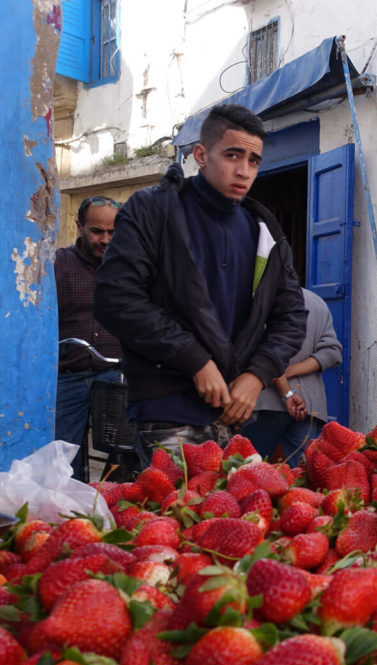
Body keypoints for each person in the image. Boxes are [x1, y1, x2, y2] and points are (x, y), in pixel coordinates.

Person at [94, 104, 306, 466]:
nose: (244, 170)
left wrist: (256, 376)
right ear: (201, 154)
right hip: (166, 404)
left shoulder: (263, 231)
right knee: (182, 517)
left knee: (231, 517)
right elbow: (116, 298)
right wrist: (195, 359)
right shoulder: (154, 211)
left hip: (235, 412)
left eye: (254, 160)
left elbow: (292, 317)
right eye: (233, 155)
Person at [55, 196, 123, 481]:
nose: (105, 239)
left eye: (112, 232)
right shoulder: (57, 264)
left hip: (114, 374)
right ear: (79, 225)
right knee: (62, 454)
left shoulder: (129, 267)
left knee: (123, 450)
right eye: (97, 231)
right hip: (67, 377)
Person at [242, 288, 342, 465]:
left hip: (266, 404)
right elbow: (332, 352)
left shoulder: (260, 299)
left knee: (248, 471)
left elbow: (265, 356)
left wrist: (286, 386)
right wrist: (292, 370)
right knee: (302, 478)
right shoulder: (317, 302)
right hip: (309, 406)